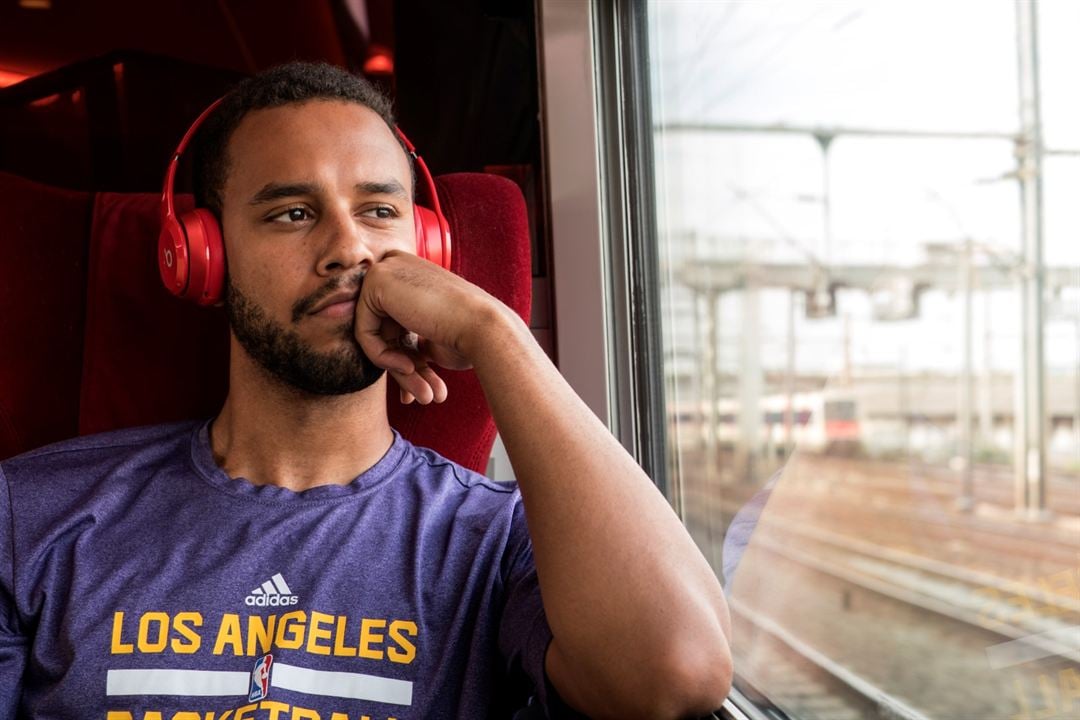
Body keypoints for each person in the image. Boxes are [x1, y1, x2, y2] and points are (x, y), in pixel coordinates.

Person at [0, 63, 731, 719]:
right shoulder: (32, 515)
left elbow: (677, 678)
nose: (349, 248)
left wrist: (493, 329)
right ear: (202, 257)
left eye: (379, 212)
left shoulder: (499, 541)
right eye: (292, 213)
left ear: (431, 249)